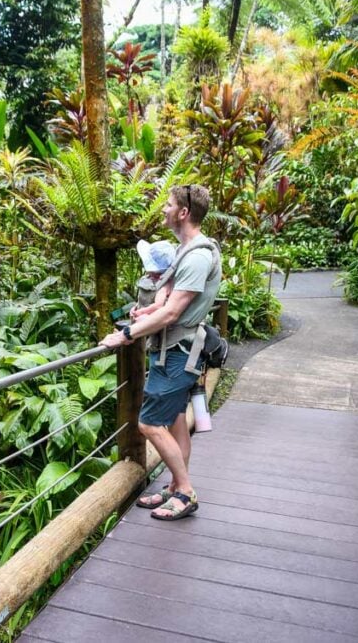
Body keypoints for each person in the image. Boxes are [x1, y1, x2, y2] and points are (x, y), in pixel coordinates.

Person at [101, 184, 221, 520]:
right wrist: (145, 314)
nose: (164, 210)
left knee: (150, 424)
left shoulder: (197, 255)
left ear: (184, 212)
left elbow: (172, 313)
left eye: (168, 205)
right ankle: (173, 487)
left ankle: (185, 491)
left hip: (179, 351)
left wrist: (126, 334)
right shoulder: (186, 250)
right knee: (177, 422)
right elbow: (167, 305)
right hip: (174, 348)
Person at [131, 239, 176, 320]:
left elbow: (158, 305)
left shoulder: (163, 284)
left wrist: (141, 312)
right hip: (140, 316)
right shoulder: (148, 278)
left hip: (150, 321)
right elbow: (143, 300)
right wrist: (135, 308)